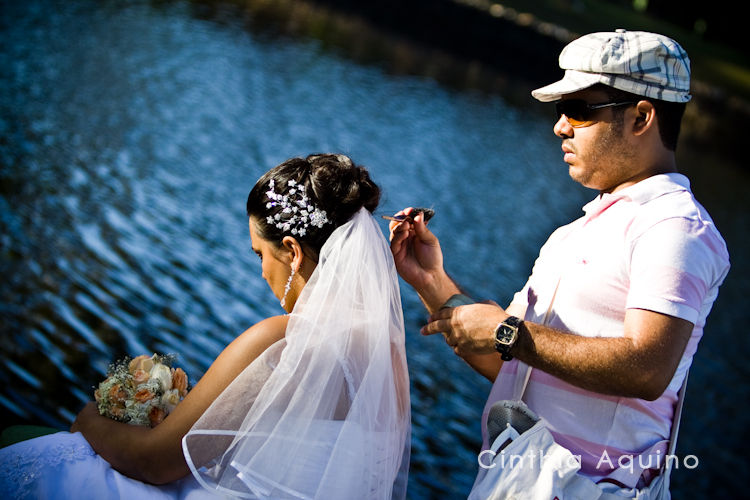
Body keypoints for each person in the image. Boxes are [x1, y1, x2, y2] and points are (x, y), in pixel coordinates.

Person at [389, 30, 729, 497]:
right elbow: (514, 363)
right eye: (560, 111)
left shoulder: (674, 227)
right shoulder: (580, 230)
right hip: (520, 481)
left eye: (580, 110)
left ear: (641, 117)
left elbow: (647, 369)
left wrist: (509, 332)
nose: (560, 126)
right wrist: (432, 281)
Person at [0, 153, 411, 499]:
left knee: (28, 458)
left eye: (259, 254)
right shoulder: (387, 355)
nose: (261, 272)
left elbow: (155, 461)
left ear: (291, 252)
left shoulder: (281, 342)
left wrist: (89, 419)